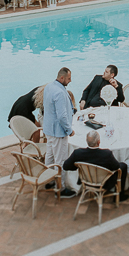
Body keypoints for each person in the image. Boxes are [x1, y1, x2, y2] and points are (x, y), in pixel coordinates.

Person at [62, 130, 129, 202]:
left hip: (86, 180)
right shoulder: (106, 154)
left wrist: (78, 166)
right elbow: (116, 167)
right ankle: (120, 196)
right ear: (99, 142)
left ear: (86, 141)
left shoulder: (78, 153)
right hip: (104, 183)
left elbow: (65, 166)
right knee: (123, 166)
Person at [43, 68, 78, 198]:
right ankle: (61, 188)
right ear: (62, 78)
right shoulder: (59, 92)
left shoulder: (49, 87)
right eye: (69, 78)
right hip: (58, 132)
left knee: (50, 156)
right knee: (60, 160)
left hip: (48, 129)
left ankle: (49, 180)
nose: (70, 81)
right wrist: (69, 130)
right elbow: (62, 116)